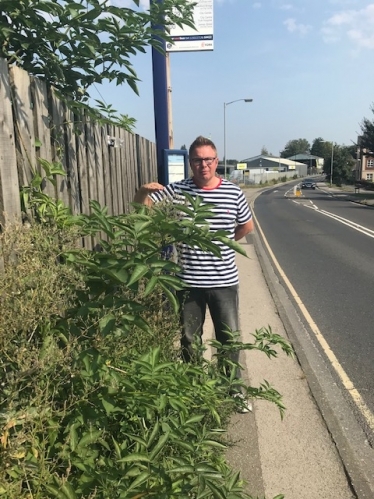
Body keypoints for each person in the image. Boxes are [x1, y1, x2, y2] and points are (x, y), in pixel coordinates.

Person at [134, 136, 254, 411]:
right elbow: (143, 213)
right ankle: (193, 389)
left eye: (209, 159)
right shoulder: (178, 191)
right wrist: (142, 192)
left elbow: (246, 226)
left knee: (229, 338)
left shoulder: (233, 192)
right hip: (188, 281)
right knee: (189, 339)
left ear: (217, 161)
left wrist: (222, 245)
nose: (204, 165)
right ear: (190, 163)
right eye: (198, 160)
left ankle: (232, 390)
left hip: (224, 281)